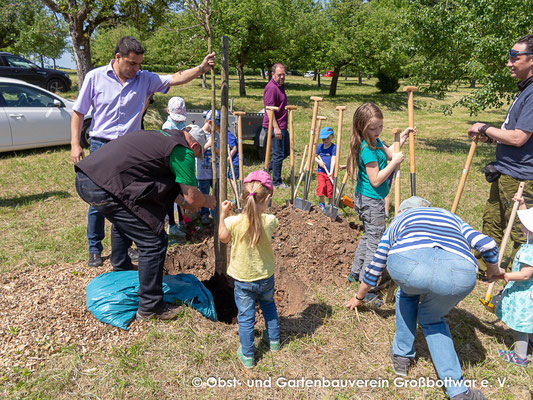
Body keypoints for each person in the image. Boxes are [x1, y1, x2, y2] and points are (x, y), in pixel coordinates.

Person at [70, 35, 216, 267]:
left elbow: (175, 78)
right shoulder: (95, 77)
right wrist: (76, 144)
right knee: (99, 200)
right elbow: (78, 112)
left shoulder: (144, 79)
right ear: (117, 58)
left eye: (139, 64)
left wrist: (200, 68)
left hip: (132, 149)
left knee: (130, 201)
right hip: (101, 144)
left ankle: (125, 250)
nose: (136, 69)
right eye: (131, 64)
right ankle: (95, 249)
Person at [346, 196, 503, 400]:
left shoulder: (400, 220)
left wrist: (359, 296)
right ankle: (458, 392)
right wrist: (493, 271)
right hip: (458, 274)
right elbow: (488, 245)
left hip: (409, 267)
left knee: (406, 293)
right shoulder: (451, 217)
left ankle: (402, 356)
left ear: (402, 211)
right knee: (432, 319)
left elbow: (376, 264)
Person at [75, 128, 216, 320]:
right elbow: (192, 198)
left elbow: (159, 177)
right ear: (195, 146)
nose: (196, 158)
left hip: (87, 177)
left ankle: (121, 269)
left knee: (125, 219)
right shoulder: (183, 151)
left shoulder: (164, 137)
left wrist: (181, 202)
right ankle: (150, 307)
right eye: (198, 155)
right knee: (154, 242)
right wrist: (208, 201)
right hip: (104, 186)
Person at [468, 34, 533, 277]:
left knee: (521, 233)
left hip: (522, 178)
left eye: (514, 57)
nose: (509, 63)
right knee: (492, 221)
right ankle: (486, 268)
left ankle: (518, 281)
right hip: (506, 172)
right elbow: (513, 133)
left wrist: (484, 127)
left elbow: (518, 138)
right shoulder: (525, 90)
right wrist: (492, 136)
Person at [346, 103, 413, 296]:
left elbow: (391, 152)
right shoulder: (367, 149)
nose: (377, 131)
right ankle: (368, 287)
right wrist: (394, 164)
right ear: (361, 127)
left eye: (379, 127)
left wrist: (403, 137)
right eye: (373, 128)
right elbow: (376, 180)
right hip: (371, 200)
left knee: (368, 236)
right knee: (375, 242)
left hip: (366, 198)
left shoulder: (376, 141)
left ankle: (355, 273)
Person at [218, 170, 280, 368]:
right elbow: (258, 219)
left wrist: (223, 215)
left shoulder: (233, 222)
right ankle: (275, 342)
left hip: (243, 279)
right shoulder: (270, 221)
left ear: (243, 197)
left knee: (246, 316)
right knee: (269, 307)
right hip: (265, 276)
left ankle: (248, 356)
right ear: (268, 198)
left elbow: (223, 238)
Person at [493, 192, 533, 366]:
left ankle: (520, 356)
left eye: (524, 225)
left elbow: (525, 274)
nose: (521, 226)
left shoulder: (531, 250)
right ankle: (530, 342)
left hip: (526, 293)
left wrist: (506, 275)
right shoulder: (530, 243)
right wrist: (522, 204)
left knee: (521, 324)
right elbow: (528, 221)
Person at [162, 97, 188, 238]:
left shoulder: (183, 123)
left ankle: (183, 222)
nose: (178, 121)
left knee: (181, 192)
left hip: (182, 163)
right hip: (172, 164)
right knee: (173, 194)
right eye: (176, 118)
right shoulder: (167, 126)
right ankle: (172, 224)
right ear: (168, 111)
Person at [262, 63, 288, 188]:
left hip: (283, 125)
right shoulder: (271, 88)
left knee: (285, 152)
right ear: (272, 74)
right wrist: (276, 128)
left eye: (283, 74)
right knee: (278, 155)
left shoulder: (280, 86)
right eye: (279, 75)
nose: (282, 77)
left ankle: (266, 168)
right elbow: (269, 109)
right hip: (274, 126)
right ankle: (276, 182)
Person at [315, 126, 336, 211]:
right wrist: (319, 162)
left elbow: (333, 159)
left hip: (330, 172)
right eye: (323, 139)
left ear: (332, 137)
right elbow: (314, 156)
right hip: (321, 172)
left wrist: (331, 171)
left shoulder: (334, 148)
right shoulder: (319, 147)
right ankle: (322, 203)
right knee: (322, 186)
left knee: (330, 189)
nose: (325, 141)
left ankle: (330, 204)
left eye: (327, 138)